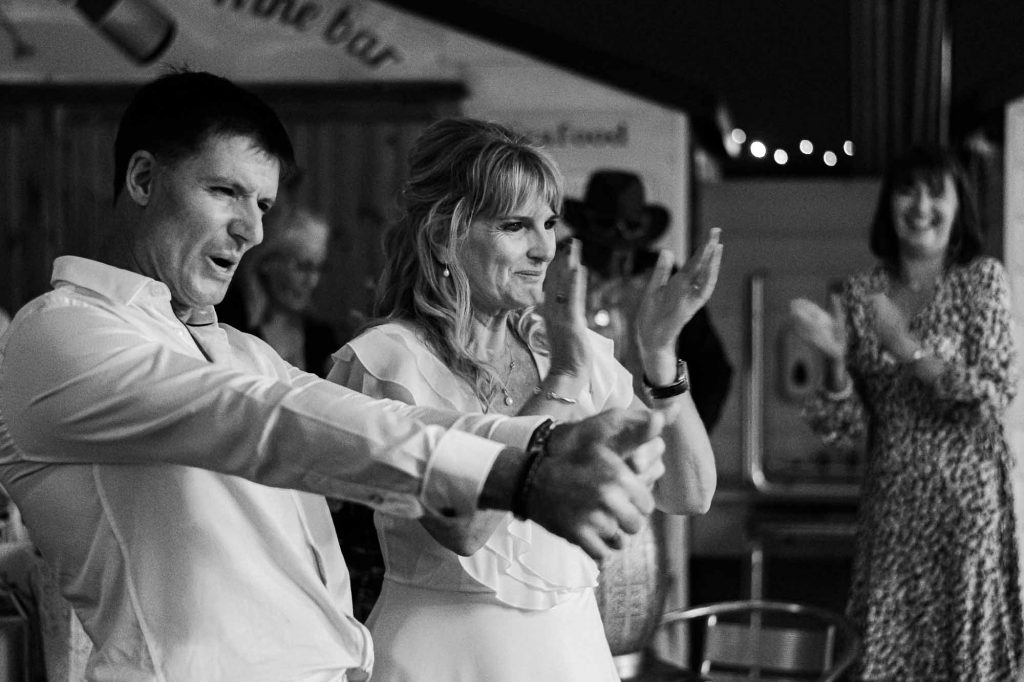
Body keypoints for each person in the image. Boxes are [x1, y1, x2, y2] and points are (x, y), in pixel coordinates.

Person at [0, 71, 672, 682]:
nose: (251, 231)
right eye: (225, 192)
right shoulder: (60, 334)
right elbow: (266, 422)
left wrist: (538, 443)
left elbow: (362, 423)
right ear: (143, 180)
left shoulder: (242, 351)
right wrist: (521, 474)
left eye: (263, 204)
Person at [327, 117, 720, 681]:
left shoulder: (561, 341)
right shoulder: (387, 361)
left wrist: (659, 355)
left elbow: (691, 492)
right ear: (444, 235)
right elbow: (464, 530)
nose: (544, 248)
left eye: (549, 223)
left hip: (572, 653)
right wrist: (561, 383)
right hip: (443, 660)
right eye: (515, 225)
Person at [789, 145, 1022, 680]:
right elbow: (839, 427)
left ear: (959, 204)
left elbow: (992, 396)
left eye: (935, 192)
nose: (920, 206)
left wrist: (906, 347)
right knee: (885, 660)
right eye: (906, 190)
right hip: (893, 511)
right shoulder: (863, 291)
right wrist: (834, 362)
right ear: (888, 205)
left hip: (968, 516)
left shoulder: (979, 280)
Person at [218, 199, 341, 377]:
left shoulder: (321, 336)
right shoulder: (228, 322)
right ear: (267, 263)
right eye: (303, 267)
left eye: (319, 268)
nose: (312, 281)